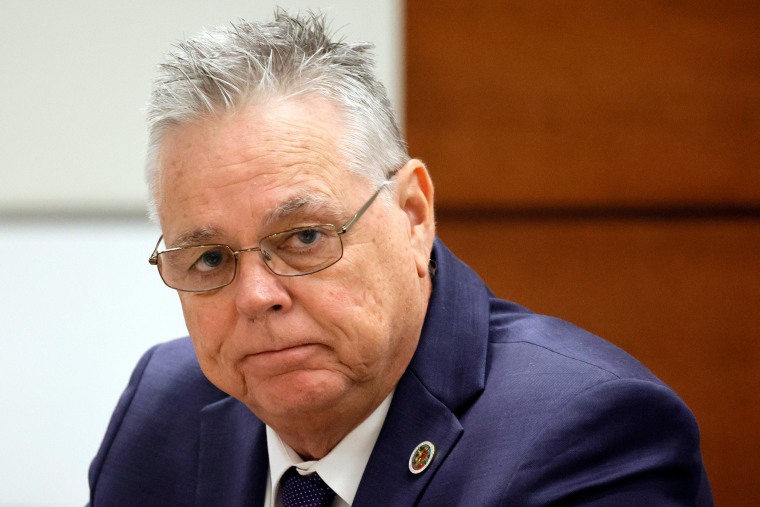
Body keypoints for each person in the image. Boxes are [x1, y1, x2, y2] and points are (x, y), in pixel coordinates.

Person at [88, 10, 713, 506]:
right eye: (210, 259)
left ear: (413, 215)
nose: (256, 295)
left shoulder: (589, 435)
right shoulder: (161, 408)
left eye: (304, 237)